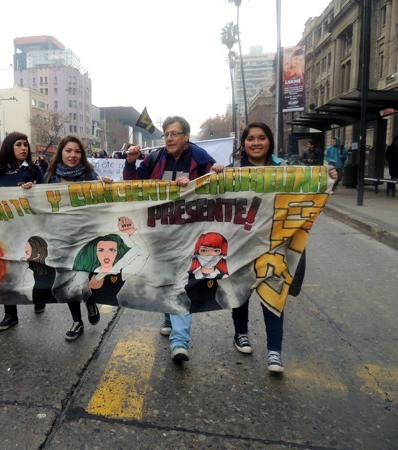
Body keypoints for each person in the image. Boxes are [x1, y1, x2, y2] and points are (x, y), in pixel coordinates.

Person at [212, 122, 338, 373]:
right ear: (244, 143)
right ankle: (241, 334)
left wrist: (330, 176)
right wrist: (216, 174)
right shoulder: (232, 171)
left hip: (276, 244)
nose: (256, 143)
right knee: (240, 292)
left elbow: (311, 189)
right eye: (250, 139)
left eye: (261, 138)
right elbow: (212, 199)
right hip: (240, 244)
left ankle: (274, 351)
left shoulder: (287, 170)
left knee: (274, 294)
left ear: (269, 141)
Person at [122, 116, 216, 362]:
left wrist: (195, 184)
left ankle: (179, 341)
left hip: (188, 232)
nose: (170, 138)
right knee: (164, 278)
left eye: (175, 134)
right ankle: (168, 316)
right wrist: (130, 163)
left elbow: (216, 191)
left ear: (187, 136)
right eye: (166, 134)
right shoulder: (154, 158)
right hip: (159, 231)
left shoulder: (201, 159)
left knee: (180, 283)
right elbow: (132, 186)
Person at [43, 135, 113, 341]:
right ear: (61, 153)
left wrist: (106, 185)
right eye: (68, 151)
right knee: (66, 279)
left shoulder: (90, 175)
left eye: (77, 151)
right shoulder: (49, 177)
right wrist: (28, 189)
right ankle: (77, 321)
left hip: (85, 237)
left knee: (82, 277)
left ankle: (90, 301)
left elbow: (104, 201)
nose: (72, 155)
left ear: (82, 154)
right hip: (59, 238)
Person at [0, 132, 46, 330]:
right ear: (9, 147)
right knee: (7, 270)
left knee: (34, 265)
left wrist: (33, 191)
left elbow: (46, 196)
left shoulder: (34, 170)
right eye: (19, 144)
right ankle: (10, 314)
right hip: (6, 231)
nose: (23, 148)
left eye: (25, 144)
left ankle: (39, 298)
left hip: (30, 229)